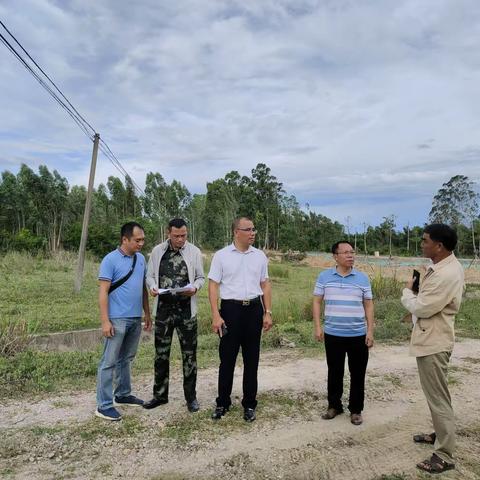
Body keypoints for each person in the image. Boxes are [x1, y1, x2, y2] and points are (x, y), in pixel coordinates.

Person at [401, 224, 464, 474]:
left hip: (434, 342)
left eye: (425, 240)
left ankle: (444, 454)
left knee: (438, 398)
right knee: (436, 394)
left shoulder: (446, 273)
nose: (422, 243)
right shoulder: (441, 267)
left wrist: (407, 292)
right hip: (432, 338)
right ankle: (440, 434)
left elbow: (423, 308)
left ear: (439, 246)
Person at [208, 217, 272, 422]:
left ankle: (249, 404)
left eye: (254, 229)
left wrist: (267, 311)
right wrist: (216, 315)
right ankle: (222, 402)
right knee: (227, 359)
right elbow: (213, 286)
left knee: (252, 360)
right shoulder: (221, 256)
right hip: (230, 311)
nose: (253, 233)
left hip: (253, 310)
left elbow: (265, 284)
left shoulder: (260, 256)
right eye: (248, 229)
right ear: (236, 231)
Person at [143, 218, 205, 412]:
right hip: (163, 311)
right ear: (168, 234)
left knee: (189, 356)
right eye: (176, 236)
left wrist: (194, 287)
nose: (180, 239)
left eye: (184, 235)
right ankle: (160, 396)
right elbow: (150, 276)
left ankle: (191, 398)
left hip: (187, 312)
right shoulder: (157, 251)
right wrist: (152, 287)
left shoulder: (194, 252)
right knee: (161, 355)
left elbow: (201, 278)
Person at [313, 241, 374, 426]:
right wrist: (317, 326)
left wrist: (370, 330)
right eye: (346, 252)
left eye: (352, 252)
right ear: (335, 256)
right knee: (335, 371)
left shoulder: (362, 278)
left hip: (357, 334)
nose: (350, 255)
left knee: (357, 373)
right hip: (333, 334)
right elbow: (316, 302)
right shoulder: (324, 277)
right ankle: (334, 405)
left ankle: (356, 410)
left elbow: (369, 305)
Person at [95, 222, 152, 421]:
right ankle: (103, 405)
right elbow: (103, 292)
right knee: (109, 362)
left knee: (126, 358)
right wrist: (105, 321)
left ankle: (123, 394)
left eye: (143, 239)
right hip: (116, 318)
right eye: (137, 240)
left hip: (135, 317)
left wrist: (147, 313)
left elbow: (142, 288)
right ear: (125, 239)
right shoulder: (110, 260)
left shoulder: (141, 259)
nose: (141, 243)